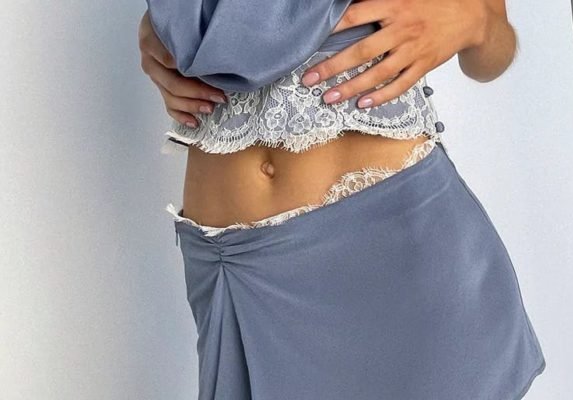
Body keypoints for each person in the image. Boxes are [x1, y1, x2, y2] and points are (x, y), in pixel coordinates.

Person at [138, 0, 546, 399]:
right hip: (237, 274)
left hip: (396, 255)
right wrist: (160, 27)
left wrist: (474, 21)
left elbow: (494, 46)